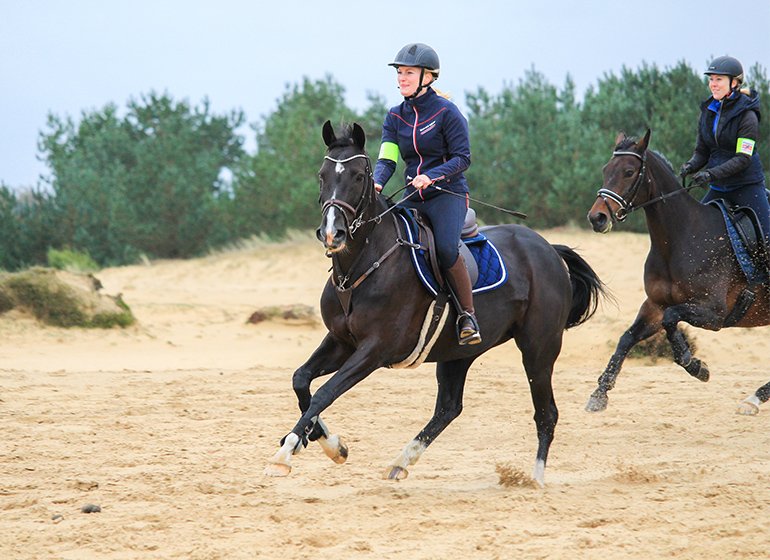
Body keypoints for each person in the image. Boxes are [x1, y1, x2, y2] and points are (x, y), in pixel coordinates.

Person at [373, 42, 481, 345]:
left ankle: (467, 316)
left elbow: (463, 158)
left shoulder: (448, 113)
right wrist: (377, 182)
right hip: (413, 197)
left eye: (409, 72)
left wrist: (431, 176)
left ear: (428, 77)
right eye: (400, 73)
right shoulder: (394, 117)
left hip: (448, 195)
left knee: (446, 249)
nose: (402, 78)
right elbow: (387, 159)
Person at [680, 55, 769, 243]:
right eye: (711, 79)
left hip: (746, 186)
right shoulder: (708, 112)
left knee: (767, 236)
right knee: (691, 233)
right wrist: (690, 166)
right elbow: (702, 152)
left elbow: (743, 158)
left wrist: (710, 174)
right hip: (719, 188)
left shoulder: (748, 116)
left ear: (735, 83)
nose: (713, 84)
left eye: (719, 79)